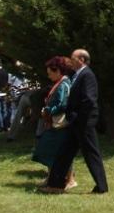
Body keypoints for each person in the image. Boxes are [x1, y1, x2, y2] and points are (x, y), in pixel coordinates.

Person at [41, 49, 108, 194]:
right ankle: (55, 185)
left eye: (73, 58)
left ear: (81, 60)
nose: (70, 61)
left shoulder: (87, 75)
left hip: (83, 122)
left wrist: (77, 116)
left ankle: (101, 187)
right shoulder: (77, 75)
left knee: (91, 154)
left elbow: (89, 100)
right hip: (76, 122)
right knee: (64, 152)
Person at [32, 57, 76, 189]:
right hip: (54, 124)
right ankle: (51, 178)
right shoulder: (60, 83)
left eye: (50, 72)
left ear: (58, 71)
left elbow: (63, 104)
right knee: (51, 151)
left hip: (60, 124)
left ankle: (70, 180)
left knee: (56, 152)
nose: (48, 75)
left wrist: (48, 111)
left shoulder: (63, 84)